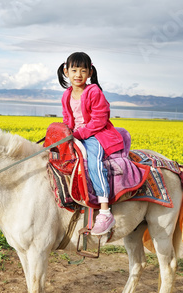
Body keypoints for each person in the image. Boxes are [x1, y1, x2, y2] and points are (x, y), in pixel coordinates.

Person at [57, 52, 124, 235]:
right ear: (66, 71)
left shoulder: (93, 91)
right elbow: (67, 119)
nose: (78, 74)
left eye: (83, 70)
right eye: (74, 70)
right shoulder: (66, 95)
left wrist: (80, 133)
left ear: (90, 72)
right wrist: (66, 132)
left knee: (94, 163)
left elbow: (99, 120)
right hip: (76, 135)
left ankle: (104, 211)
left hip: (96, 135)